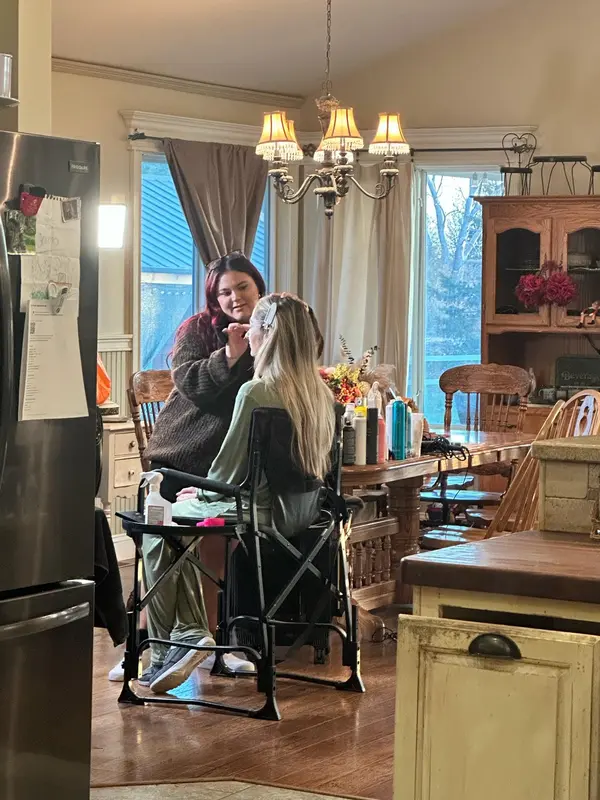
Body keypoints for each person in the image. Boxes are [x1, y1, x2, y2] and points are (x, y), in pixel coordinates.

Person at [148, 293, 336, 694]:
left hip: (257, 511)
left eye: (252, 328)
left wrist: (199, 492)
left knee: (160, 525)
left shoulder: (257, 391)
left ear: (266, 335)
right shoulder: (322, 394)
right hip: (305, 514)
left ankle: (178, 641)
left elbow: (229, 472)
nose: (246, 335)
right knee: (190, 527)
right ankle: (189, 640)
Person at [109, 252, 266, 684]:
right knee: (162, 550)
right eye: (224, 292)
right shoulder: (197, 330)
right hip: (178, 456)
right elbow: (193, 386)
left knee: (216, 556)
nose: (235, 297)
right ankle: (143, 648)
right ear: (214, 297)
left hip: (228, 465)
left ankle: (211, 648)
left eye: (243, 287)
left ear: (259, 286)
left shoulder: (270, 331)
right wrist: (231, 354)